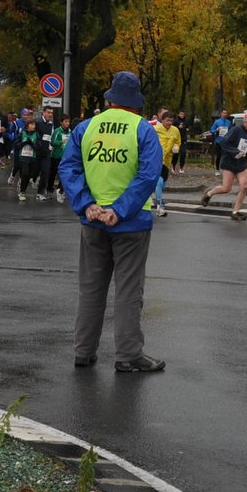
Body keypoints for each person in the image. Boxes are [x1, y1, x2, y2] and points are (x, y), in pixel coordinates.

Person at [59, 71, 165, 373]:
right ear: (136, 102)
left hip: (92, 221)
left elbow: (69, 168)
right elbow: (148, 176)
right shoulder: (143, 130)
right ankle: (128, 355)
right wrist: (119, 210)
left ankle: (83, 351)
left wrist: (87, 205)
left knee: (91, 288)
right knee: (129, 290)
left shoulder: (85, 127)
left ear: (109, 99)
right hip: (130, 223)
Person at [202, 109, 247, 217]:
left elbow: (244, 148)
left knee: (244, 187)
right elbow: (223, 142)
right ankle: (209, 193)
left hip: (241, 164)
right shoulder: (236, 129)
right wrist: (235, 152)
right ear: (245, 122)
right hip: (229, 163)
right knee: (226, 188)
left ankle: (235, 211)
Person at [151, 111, 181, 215]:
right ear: (162, 120)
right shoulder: (156, 129)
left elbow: (178, 141)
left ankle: (147, 196)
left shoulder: (175, 130)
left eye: (171, 121)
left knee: (162, 185)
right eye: (167, 120)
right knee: (159, 182)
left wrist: (176, 147)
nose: (169, 123)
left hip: (167, 161)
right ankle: (160, 206)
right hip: (156, 159)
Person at [14, 113, 42, 201]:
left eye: (34, 124)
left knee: (31, 175)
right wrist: (24, 143)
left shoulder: (36, 135)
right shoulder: (22, 133)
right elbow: (16, 145)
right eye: (32, 124)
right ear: (27, 125)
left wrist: (32, 144)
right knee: (25, 173)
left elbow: (39, 147)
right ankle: (22, 192)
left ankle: (22, 182)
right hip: (23, 157)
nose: (34, 126)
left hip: (32, 158)